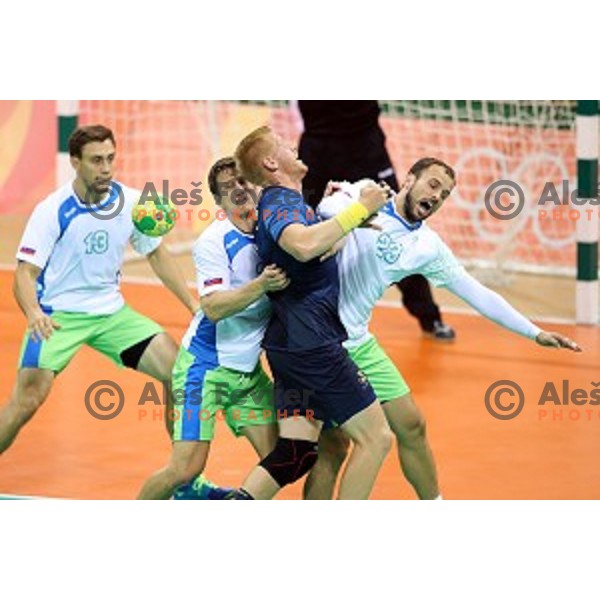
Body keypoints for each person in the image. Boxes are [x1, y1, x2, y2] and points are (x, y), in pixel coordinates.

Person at [304, 157, 582, 499]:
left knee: (412, 426)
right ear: (409, 180)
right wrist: (351, 211)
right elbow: (326, 212)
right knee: (335, 445)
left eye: (445, 194)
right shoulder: (366, 192)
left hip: (357, 339)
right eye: (432, 185)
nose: (436, 197)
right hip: (321, 337)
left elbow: (476, 292)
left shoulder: (427, 247)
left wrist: (534, 332)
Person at [0, 125, 199, 473]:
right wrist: (33, 312)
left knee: (178, 372)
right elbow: (24, 273)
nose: (106, 168)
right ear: (75, 162)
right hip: (57, 315)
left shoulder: (134, 202)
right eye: (96, 161)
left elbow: (157, 255)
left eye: (110, 159)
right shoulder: (52, 209)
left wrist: (194, 305)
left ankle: (182, 475)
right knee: (26, 400)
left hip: (111, 313)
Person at [231, 126, 393, 500]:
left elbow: (316, 250)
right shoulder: (280, 203)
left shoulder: (288, 203)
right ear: (272, 162)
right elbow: (302, 246)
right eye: (286, 146)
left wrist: (348, 223)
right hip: (313, 346)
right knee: (376, 438)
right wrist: (360, 207)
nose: (295, 147)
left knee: (296, 453)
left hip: (291, 346)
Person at [137, 157, 286, 499]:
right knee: (185, 469)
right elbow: (214, 307)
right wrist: (261, 285)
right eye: (227, 187)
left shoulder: (272, 228)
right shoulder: (215, 241)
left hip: (248, 374)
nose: (238, 189)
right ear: (219, 202)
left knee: (278, 462)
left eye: (242, 180)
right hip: (205, 369)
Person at [297, 100, 455, 341]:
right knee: (310, 233)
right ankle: (299, 317)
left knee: (400, 232)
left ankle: (429, 316)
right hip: (319, 149)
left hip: (365, 147)